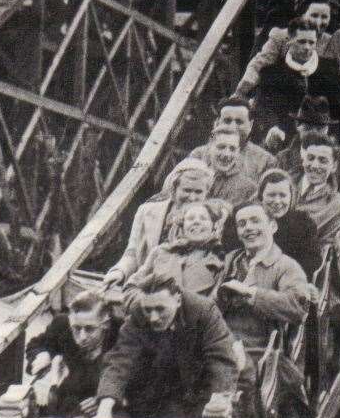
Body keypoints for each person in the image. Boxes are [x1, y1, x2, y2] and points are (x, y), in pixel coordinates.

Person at [88, 273, 239, 418]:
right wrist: (105, 408)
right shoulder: (140, 314)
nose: (154, 317)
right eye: (148, 310)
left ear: (178, 299)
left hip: (203, 390)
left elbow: (221, 364)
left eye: (160, 309)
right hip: (169, 392)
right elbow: (119, 361)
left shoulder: (204, 311)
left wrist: (216, 406)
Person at [214, 201, 311, 418]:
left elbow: (297, 306)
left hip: (259, 348)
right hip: (220, 340)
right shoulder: (229, 261)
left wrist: (251, 294)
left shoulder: (286, 266)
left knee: (235, 372)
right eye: (242, 224)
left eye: (255, 221)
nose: (248, 228)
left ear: (273, 225)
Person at [24, 290, 119, 418]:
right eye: (76, 329)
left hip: (111, 409)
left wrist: (106, 398)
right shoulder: (61, 327)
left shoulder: (121, 334)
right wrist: (42, 356)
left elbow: (135, 373)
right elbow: (37, 345)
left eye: (89, 329)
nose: (82, 337)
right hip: (72, 405)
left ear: (105, 323)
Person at [103, 159, 213, 287]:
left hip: (185, 289)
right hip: (143, 284)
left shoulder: (212, 220)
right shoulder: (147, 211)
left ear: (206, 193)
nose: (192, 197)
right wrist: (119, 272)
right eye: (187, 190)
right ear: (173, 189)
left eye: (198, 192)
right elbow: (132, 253)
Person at [253, 18, 340, 148]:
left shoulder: (329, 69)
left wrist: (335, 136)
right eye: (301, 42)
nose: (307, 47)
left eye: (311, 42)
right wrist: (273, 127)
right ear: (289, 40)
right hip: (285, 139)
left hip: (325, 137)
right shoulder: (272, 73)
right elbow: (264, 108)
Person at [115, 201, 227, 312]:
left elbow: (213, 307)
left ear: (214, 226)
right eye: (190, 218)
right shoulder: (161, 252)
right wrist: (149, 304)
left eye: (203, 218)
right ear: (182, 226)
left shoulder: (222, 261)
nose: (196, 222)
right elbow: (131, 287)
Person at [222, 169, 322, 280]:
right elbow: (229, 251)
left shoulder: (303, 223)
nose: (277, 201)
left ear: (291, 197)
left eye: (283, 195)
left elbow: (312, 262)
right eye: (271, 195)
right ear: (261, 196)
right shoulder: (244, 216)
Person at [235, 0, 337, 99]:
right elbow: (258, 65)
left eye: (324, 17)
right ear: (302, 15)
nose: (318, 22)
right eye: (314, 15)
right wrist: (241, 92)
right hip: (280, 97)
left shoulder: (332, 42)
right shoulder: (281, 37)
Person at [274, 96, 340, 209]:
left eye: (319, 128)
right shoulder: (283, 158)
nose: (314, 134)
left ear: (327, 129)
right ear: (297, 127)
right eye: (308, 128)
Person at [288, 132, 340, 260]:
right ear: (303, 161)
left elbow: (326, 253)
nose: (315, 166)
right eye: (310, 158)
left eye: (323, 161)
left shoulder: (338, 206)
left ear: (333, 166)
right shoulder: (283, 184)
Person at [190, 96, 276, 182]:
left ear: (250, 125)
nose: (232, 127)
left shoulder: (266, 161)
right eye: (227, 121)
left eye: (239, 122)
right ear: (217, 123)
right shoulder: (199, 155)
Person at [203, 125, 258, 207]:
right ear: (209, 147)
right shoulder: (194, 175)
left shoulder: (248, 188)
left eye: (232, 149)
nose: (226, 154)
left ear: (238, 152)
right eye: (221, 147)